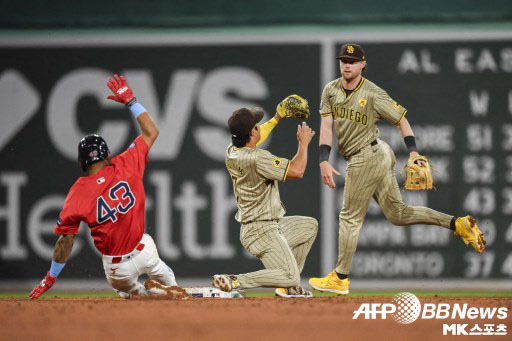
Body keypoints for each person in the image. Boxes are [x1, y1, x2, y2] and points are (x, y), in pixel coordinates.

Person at [309, 43, 486, 295]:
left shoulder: (372, 93)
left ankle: (340, 277)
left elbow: (401, 119)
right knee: (398, 214)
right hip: (376, 154)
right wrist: (324, 159)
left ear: (362, 64)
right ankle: (457, 224)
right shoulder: (331, 90)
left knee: (348, 217)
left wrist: (413, 150)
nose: (347, 65)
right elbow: (326, 126)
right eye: (343, 60)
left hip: (367, 155)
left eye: (352, 61)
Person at [29, 74, 186, 299]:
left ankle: (149, 294)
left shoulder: (77, 193)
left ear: (81, 162)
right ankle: (172, 291)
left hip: (117, 267)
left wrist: (50, 278)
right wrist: (131, 101)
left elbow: (65, 242)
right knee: (167, 277)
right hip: (144, 249)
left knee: (134, 297)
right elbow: (151, 131)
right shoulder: (126, 163)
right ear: (107, 155)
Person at [212, 102, 318, 298]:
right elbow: (297, 171)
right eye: (256, 125)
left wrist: (277, 117)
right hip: (261, 230)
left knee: (309, 226)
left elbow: (255, 139)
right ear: (252, 133)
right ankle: (235, 280)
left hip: (266, 226)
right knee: (290, 275)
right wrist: (303, 144)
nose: (260, 126)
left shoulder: (231, 151)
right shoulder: (257, 158)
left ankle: (290, 287)